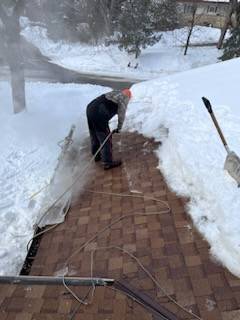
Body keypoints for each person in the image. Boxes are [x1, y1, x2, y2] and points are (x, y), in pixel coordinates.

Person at [86, 88, 132, 170]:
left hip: (90, 108)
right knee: (105, 138)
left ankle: (96, 156)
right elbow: (121, 115)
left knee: (94, 133)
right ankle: (107, 162)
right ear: (128, 96)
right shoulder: (123, 99)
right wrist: (119, 127)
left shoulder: (115, 92)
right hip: (99, 113)